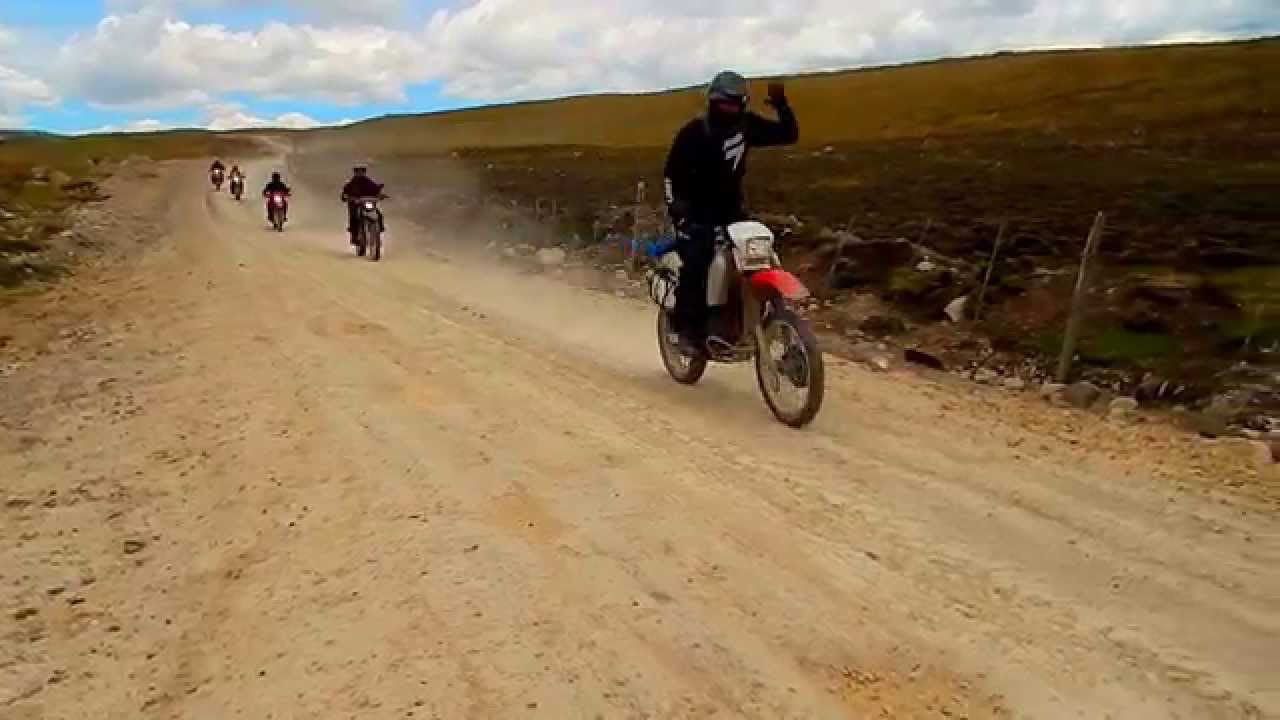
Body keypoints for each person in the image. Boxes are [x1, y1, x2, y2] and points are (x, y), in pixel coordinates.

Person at [662, 71, 798, 354]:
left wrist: (782, 106)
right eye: (724, 104)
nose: (729, 110)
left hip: (733, 213)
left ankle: (773, 327)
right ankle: (686, 331)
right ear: (712, 102)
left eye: (735, 104)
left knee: (762, 258)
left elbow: (788, 135)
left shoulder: (747, 127)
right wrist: (679, 213)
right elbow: (671, 176)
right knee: (697, 263)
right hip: (696, 216)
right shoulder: (693, 133)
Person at [341, 163, 385, 245]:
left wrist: (380, 194)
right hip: (355, 204)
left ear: (364, 172)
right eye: (358, 171)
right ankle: (354, 236)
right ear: (355, 172)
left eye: (362, 171)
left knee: (379, 214)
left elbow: (376, 189)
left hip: (368, 203)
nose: (360, 173)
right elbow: (345, 193)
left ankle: (379, 231)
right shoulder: (350, 183)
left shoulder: (369, 182)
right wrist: (345, 196)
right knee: (354, 217)